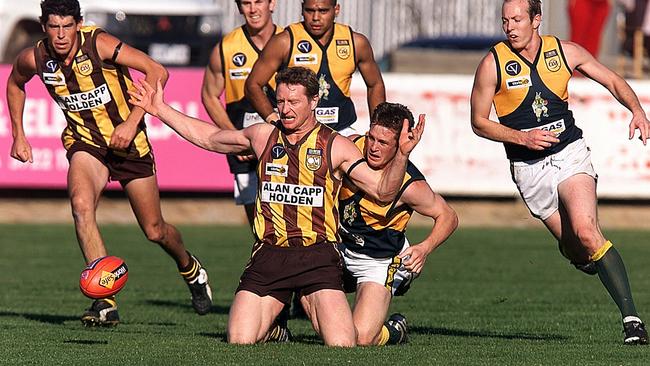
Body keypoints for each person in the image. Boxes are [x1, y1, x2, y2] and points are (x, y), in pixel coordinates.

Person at [127, 66, 425, 346]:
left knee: (342, 344)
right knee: (240, 339)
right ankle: (277, 328)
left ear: (314, 101)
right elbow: (212, 139)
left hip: (317, 256)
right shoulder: (263, 135)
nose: (285, 109)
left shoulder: (335, 145)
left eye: (294, 101)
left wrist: (401, 156)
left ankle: (308, 301)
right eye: (280, 101)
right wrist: (160, 110)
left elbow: (383, 192)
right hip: (270, 254)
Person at [7, 0, 212, 326]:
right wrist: (19, 134)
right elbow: (15, 83)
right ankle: (104, 300)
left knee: (155, 231)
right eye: (54, 27)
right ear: (44, 26)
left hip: (129, 145)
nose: (61, 35)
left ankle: (190, 267)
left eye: (67, 26)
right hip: (86, 144)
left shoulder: (99, 43)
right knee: (81, 206)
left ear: (79, 23)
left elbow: (158, 70)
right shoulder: (35, 57)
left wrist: (131, 123)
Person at [470, 0, 648, 345]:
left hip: (569, 153)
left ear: (536, 19)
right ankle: (579, 255)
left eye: (518, 19)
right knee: (575, 248)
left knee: (586, 230)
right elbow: (478, 121)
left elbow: (611, 78)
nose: (510, 27)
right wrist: (522, 137)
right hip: (528, 168)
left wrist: (637, 110)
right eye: (505, 20)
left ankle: (632, 321)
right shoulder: (492, 64)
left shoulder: (564, 52)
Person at [338, 102, 458, 345]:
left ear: (399, 145)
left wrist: (424, 248)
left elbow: (449, 216)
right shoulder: (350, 146)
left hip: (378, 261)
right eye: (371, 137)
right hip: (339, 248)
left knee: (361, 338)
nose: (373, 147)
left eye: (383, 143)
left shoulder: (410, 185)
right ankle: (278, 327)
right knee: (296, 270)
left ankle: (394, 330)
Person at [245, 0, 385, 136]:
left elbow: (375, 84)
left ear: (336, 9)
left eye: (323, 11)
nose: (316, 18)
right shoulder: (284, 41)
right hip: (295, 134)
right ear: (302, 9)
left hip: (342, 131)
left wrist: (378, 127)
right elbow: (252, 84)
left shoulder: (356, 42)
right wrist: (274, 121)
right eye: (310, 10)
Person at [201, 0, 282, 229]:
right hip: (244, 151)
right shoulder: (226, 47)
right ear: (239, 7)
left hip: (285, 145)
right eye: (246, 3)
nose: (253, 9)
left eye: (259, 2)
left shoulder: (290, 41)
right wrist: (236, 137)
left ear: (272, 3)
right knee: (257, 222)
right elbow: (209, 95)